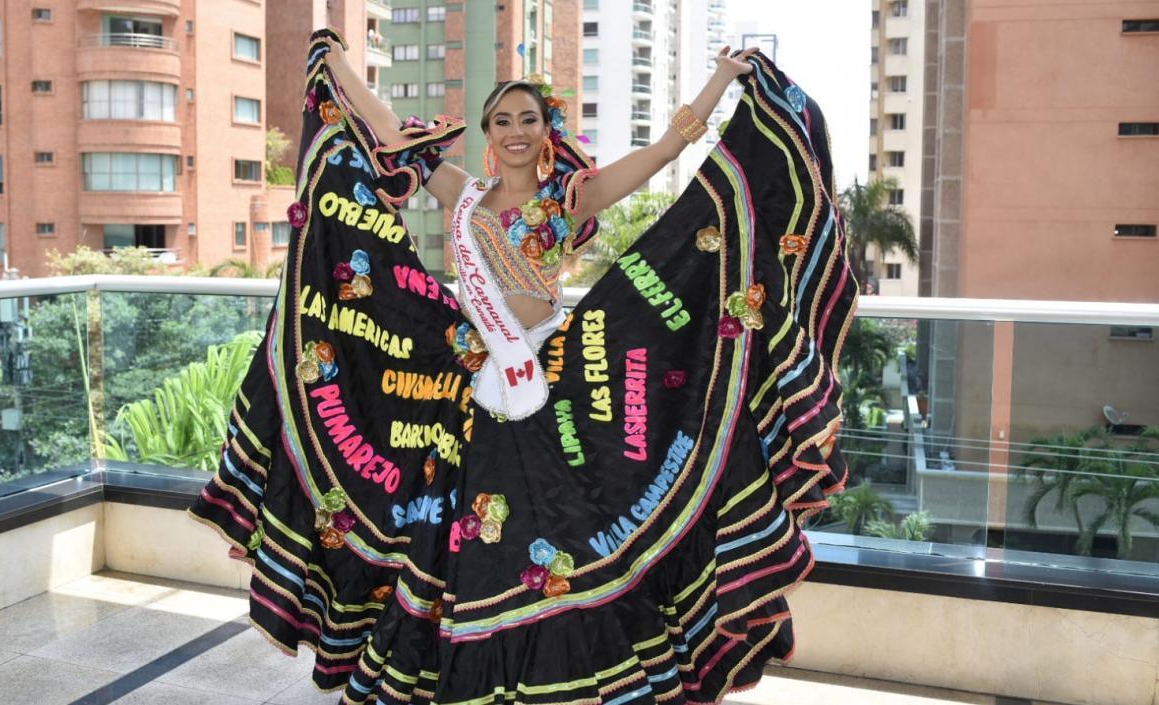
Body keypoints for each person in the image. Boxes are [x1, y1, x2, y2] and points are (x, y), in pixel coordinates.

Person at [190, 26, 855, 705]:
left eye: (528, 119)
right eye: (503, 119)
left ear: (546, 131)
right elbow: (385, 130)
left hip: (552, 381)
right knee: (467, 546)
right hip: (473, 384)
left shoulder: (571, 200)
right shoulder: (464, 194)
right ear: (487, 132)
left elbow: (666, 151)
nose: (515, 129)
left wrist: (721, 80)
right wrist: (337, 65)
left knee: (565, 537)